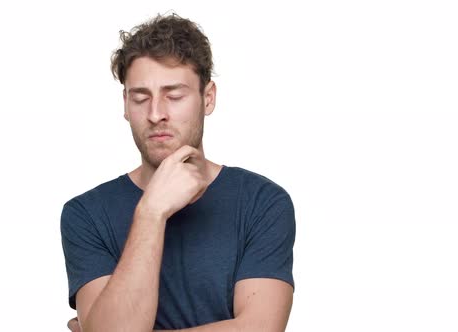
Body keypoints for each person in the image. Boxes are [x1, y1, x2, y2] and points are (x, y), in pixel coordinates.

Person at [61, 12, 296, 332]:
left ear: (208, 97)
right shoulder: (85, 214)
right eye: (140, 98)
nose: (156, 114)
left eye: (174, 96)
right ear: (126, 105)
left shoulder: (262, 202)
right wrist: (150, 213)